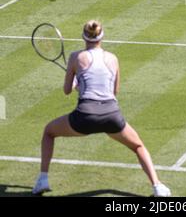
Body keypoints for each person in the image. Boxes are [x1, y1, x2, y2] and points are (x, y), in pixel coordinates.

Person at [32, 20, 171, 197]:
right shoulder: (113, 58)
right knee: (138, 146)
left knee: (49, 132)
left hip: (85, 117)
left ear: (84, 37)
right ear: (101, 36)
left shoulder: (76, 57)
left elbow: (67, 90)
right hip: (111, 115)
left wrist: (77, 84)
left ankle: (43, 180)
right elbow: (114, 91)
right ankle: (157, 186)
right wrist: (82, 85)